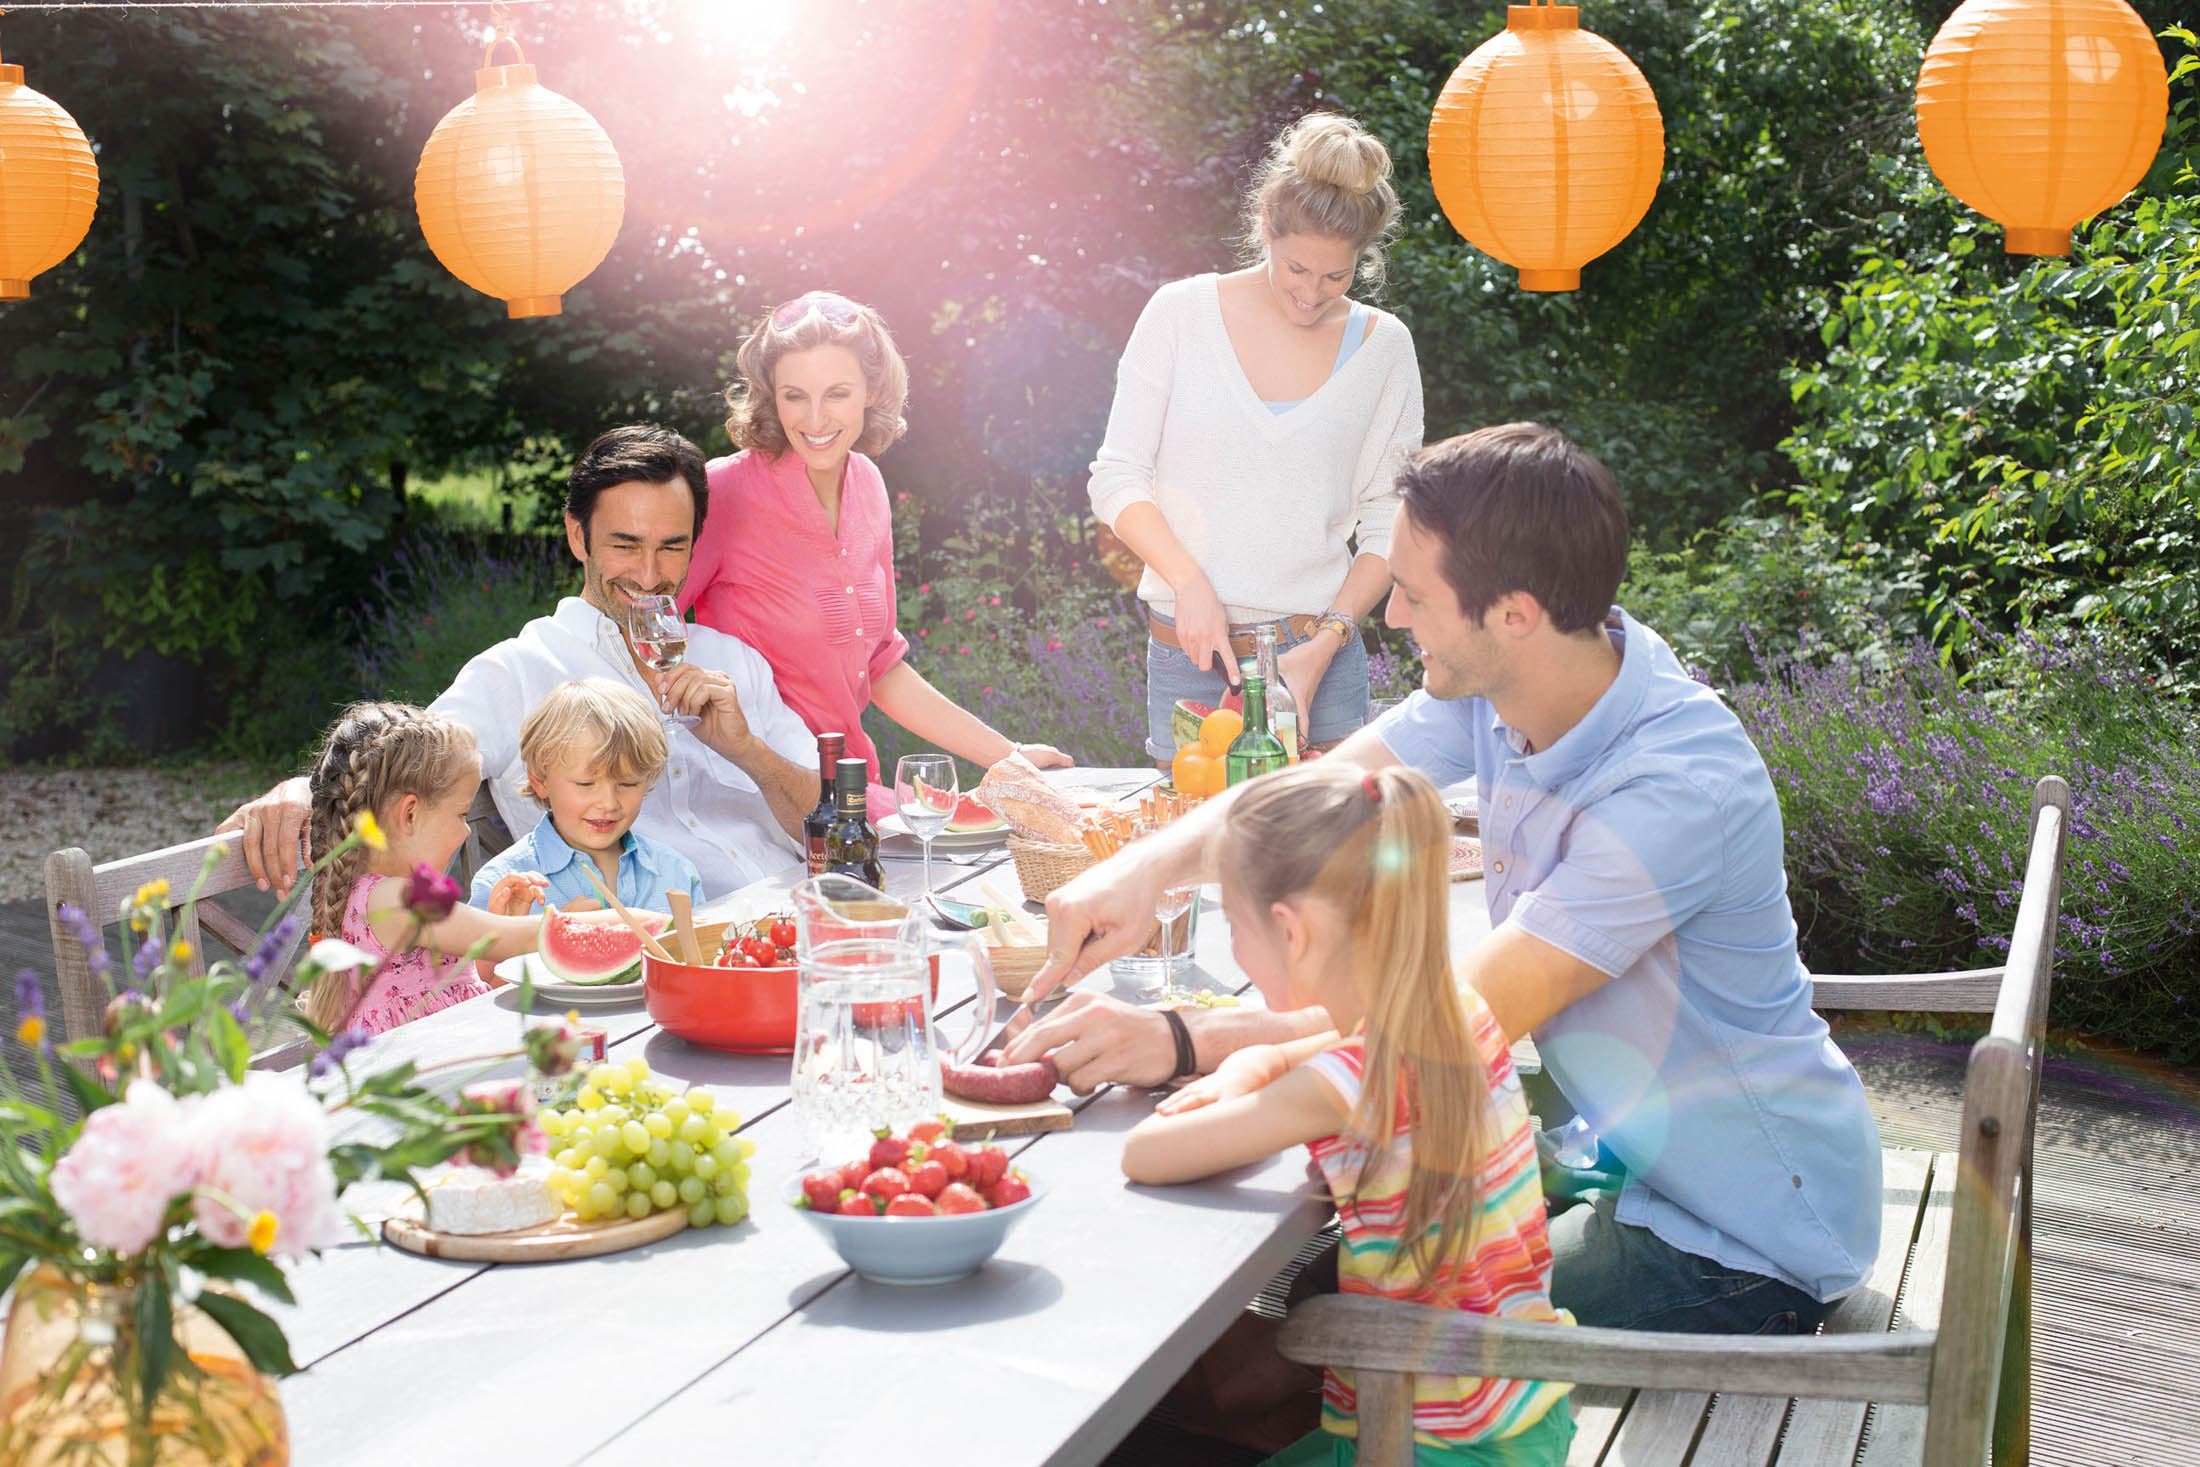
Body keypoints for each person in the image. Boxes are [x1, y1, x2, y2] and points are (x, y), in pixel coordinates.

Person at [1012, 422, 1885, 1335]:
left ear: (1513, 613)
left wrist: (1191, 1039)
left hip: (1741, 1234)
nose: (1391, 618)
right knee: (1309, 1271)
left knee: (1314, 1314)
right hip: (1625, 1153)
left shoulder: (1675, 790)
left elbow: (1452, 1025)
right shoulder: (1523, 682)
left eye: (1416, 597)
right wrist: (1141, 871)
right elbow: (1312, 796)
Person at [1123, 763, 1574, 1467]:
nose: (1235, 950)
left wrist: (1237, 1085)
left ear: (1291, 932)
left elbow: (1145, 1153)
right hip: (1522, 1423)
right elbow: (1311, 1051)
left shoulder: (1342, 1085)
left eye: (1235, 926)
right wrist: (1247, 1067)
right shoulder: (1458, 1009)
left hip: (1423, 1446)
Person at [220, 426, 821, 899]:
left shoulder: (735, 661)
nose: (649, 574)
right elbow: (406, 758)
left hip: (801, 914)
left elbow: (832, 828)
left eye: (671, 546)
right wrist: (307, 787)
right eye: (625, 545)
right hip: (653, 960)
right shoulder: (520, 670)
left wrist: (750, 753)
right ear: (578, 537)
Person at [1087, 112, 1423, 761]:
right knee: (1195, 855)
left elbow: (1390, 520)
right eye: (1297, 268)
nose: (1311, 294)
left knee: (1329, 860)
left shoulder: (1384, 348)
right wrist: (1189, 581)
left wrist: (1327, 641)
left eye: (1336, 277)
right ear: (1267, 228)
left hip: (1319, 663)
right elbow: (1118, 475)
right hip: (1191, 654)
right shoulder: (1179, 315)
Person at [680, 291, 1067, 812]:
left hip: (848, 785)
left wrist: (1009, 757)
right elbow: (636, 632)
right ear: (772, 395)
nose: (814, 420)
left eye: (836, 393)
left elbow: (881, 664)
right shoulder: (722, 492)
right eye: (795, 396)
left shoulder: (868, 484)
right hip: (753, 793)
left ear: (871, 390)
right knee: (959, 837)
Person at [301, 702, 549, 1034]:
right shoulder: (400, 900)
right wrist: (626, 921)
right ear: (410, 814)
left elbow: (467, 982)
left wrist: (501, 925)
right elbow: (509, 939)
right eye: (461, 813)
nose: (467, 831)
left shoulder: (367, 893)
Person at [465, 678, 705, 917]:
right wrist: (545, 937)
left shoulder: (678, 873)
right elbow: (480, 955)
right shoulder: (501, 885)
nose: (609, 804)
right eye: (586, 784)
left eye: (627, 783)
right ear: (539, 780)